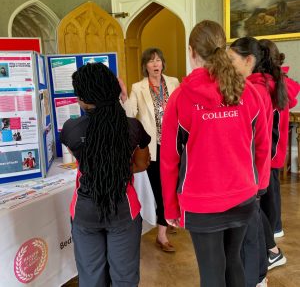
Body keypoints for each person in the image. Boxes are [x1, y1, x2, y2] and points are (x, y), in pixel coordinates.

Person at [160, 20, 270, 287]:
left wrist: (170, 206)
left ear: (191, 51)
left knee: (213, 271)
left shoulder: (180, 97)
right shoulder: (249, 92)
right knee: (234, 262)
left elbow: (168, 159)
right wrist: (260, 185)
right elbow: (262, 146)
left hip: (202, 202)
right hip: (243, 196)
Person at [60, 62, 151, 287]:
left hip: (85, 212)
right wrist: (114, 166)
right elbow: (142, 163)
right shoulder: (132, 127)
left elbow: (84, 162)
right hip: (123, 211)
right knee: (125, 278)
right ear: (114, 90)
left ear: (82, 99)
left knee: (91, 279)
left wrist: (101, 165)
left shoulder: (71, 129)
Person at [121, 48, 180, 252]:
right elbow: (131, 114)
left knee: (172, 187)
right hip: (153, 148)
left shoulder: (173, 82)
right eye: (151, 61)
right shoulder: (138, 87)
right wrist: (124, 97)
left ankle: (166, 222)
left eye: (158, 60)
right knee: (160, 190)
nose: (156, 64)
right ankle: (162, 235)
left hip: (173, 145)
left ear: (163, 63)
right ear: (145, 66)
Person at [228, 36, 274, 287]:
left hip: (251, 177)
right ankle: (258, 277)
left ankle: (254, 279)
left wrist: (256, 180)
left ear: (249, 61)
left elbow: (260, 143)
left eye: (231, 59)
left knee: (248, 237)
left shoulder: (254, 91)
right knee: (252, 231)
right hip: (253, 176)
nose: (227, 64)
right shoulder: (255, 87)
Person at [259, 38, 300, 240]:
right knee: (272, 192)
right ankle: (275, 227)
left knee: (267, 194)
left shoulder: (262, 86)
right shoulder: (280, 83)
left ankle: (272, 230)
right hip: (276, 150)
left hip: (265, 150)